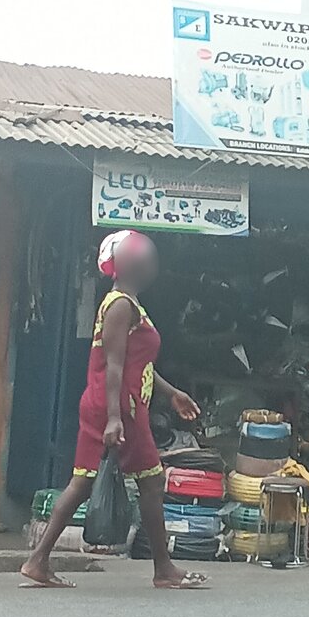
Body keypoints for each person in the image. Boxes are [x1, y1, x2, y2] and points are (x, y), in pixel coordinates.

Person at [21, 231, 209, 590]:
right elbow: (114, 366)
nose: (151, 263)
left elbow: (140, 364)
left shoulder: (128, 304)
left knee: (85, 482)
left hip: (118, 405)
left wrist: (170, 393)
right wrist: (113, 417)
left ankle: (38, 560)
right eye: (145, 258)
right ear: (127, 265)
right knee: (148, 482)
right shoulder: (121, 305)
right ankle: (163, 570)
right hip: (120, 408)